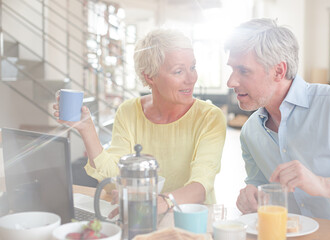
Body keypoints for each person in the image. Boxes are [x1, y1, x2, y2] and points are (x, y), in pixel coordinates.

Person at [53, 29, 226, 214]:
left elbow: (200, 186)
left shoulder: (210, 117)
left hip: (191, 219)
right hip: (141, 215)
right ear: (149, 77)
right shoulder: (129, 112)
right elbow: (114, 181)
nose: (191, 79)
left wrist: (156, 202)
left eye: (192, 67)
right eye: (179, 71)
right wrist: (87, 130)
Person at [225, 18, 330, 223]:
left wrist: (321, 184)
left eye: (243, 71)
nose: (231, 81)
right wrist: (251, 196)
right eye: (232, 69)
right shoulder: (250, 132)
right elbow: (259, 184)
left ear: (279, 71)